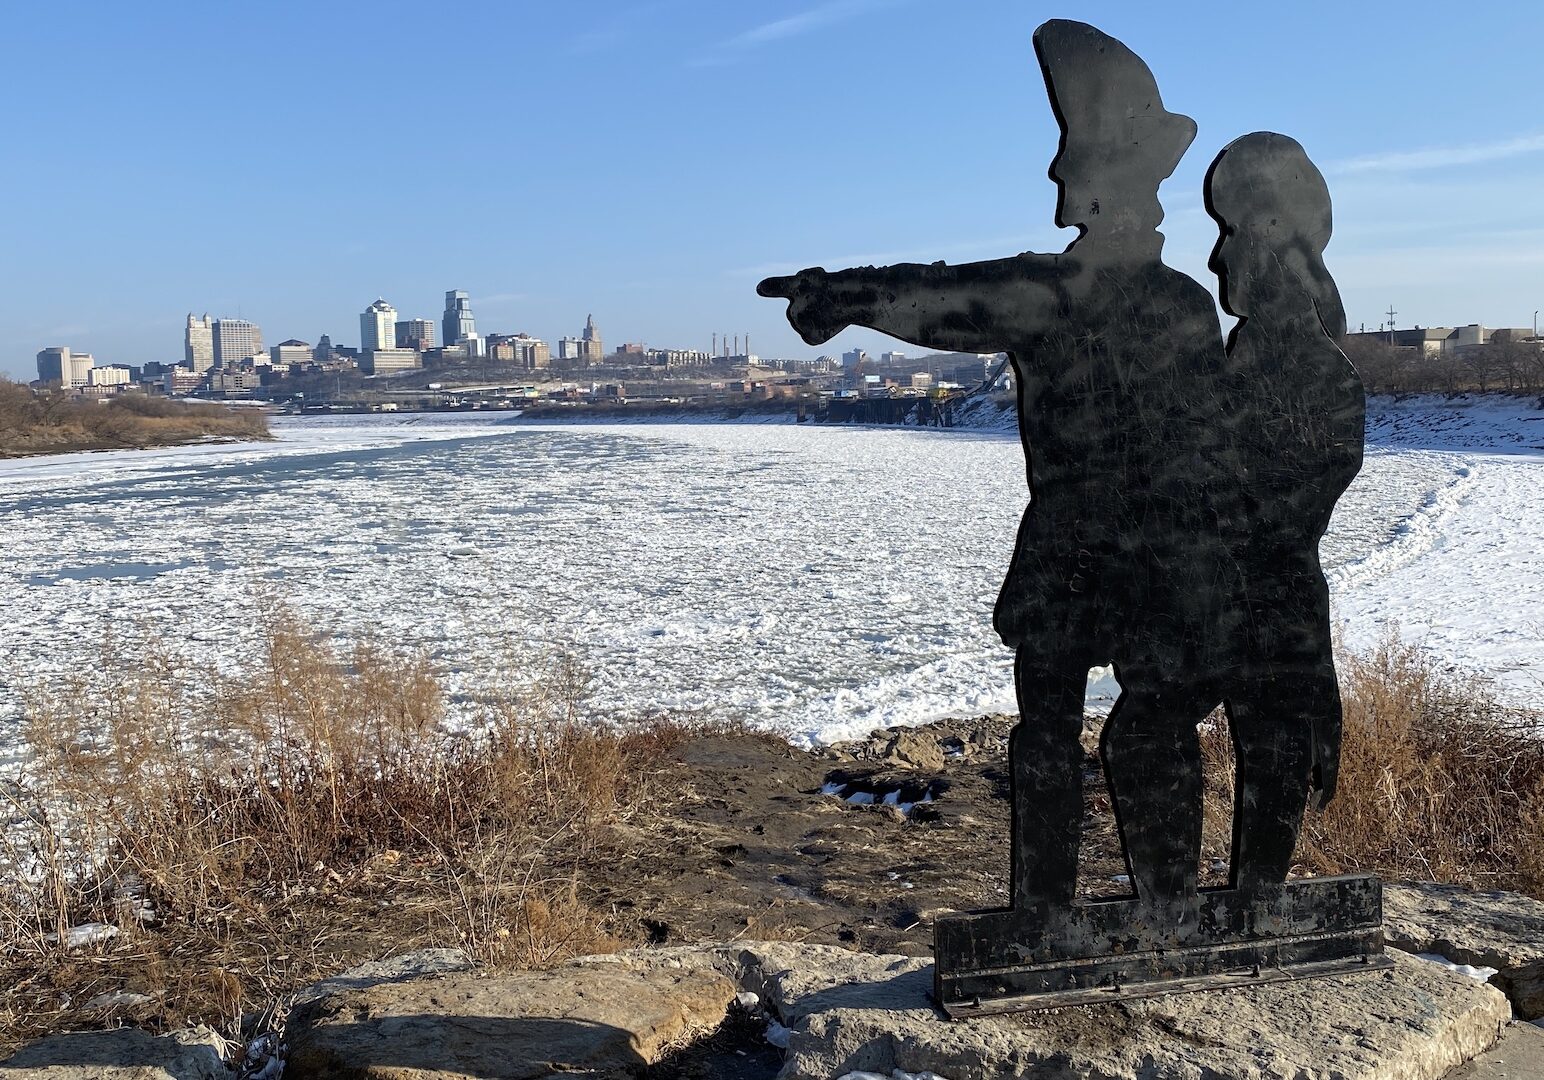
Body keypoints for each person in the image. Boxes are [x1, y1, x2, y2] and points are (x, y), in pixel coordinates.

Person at [760, 20, 1236, 917]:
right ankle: (1165, 906)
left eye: (1071, 160)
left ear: (1095, 184)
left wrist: (839, 296)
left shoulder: (1064, 294)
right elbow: (947, 295)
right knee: (1148, 729)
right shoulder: (1183, 306)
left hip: (1077, 548)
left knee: (1055, 733)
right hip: (1161, 554)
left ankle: (1052, 915)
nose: (1057, 176)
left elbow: (946, 299)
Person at [1204, 133, 1366, 890]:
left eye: (1228, 235)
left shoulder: (1310, 376)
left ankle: (1252, 908)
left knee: (1266, 755)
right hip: (1250, 604)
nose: (1215, 260)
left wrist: (1315, 677)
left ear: (1270, 241)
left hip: (1260, 611)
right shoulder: (1249, 361)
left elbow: (1283, 536)